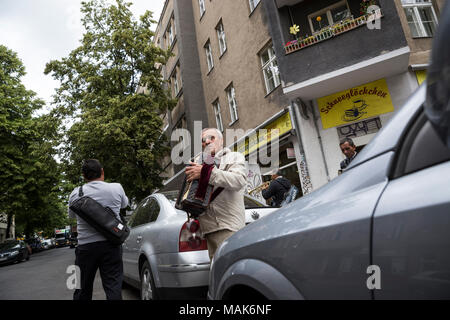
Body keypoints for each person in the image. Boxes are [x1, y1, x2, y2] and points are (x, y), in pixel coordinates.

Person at [68, 159, 129, 300]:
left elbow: (71, 216)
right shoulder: (116, 188)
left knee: (81, 289)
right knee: (113, 287)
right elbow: (124, 204)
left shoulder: (75, 193)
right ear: (102, 171)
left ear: (83, 175)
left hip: (85, 248)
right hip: (111, 244)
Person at [185, 128, 247, 260]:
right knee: (218, 273)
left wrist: (206, 173)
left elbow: (239, 180)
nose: (207, 142)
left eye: (211, 138)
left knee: (233, 270)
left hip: (229, 227)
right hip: (208, 230)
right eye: (203, 140)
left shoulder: (233, 157)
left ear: (221, 140)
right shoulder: (199, 162)